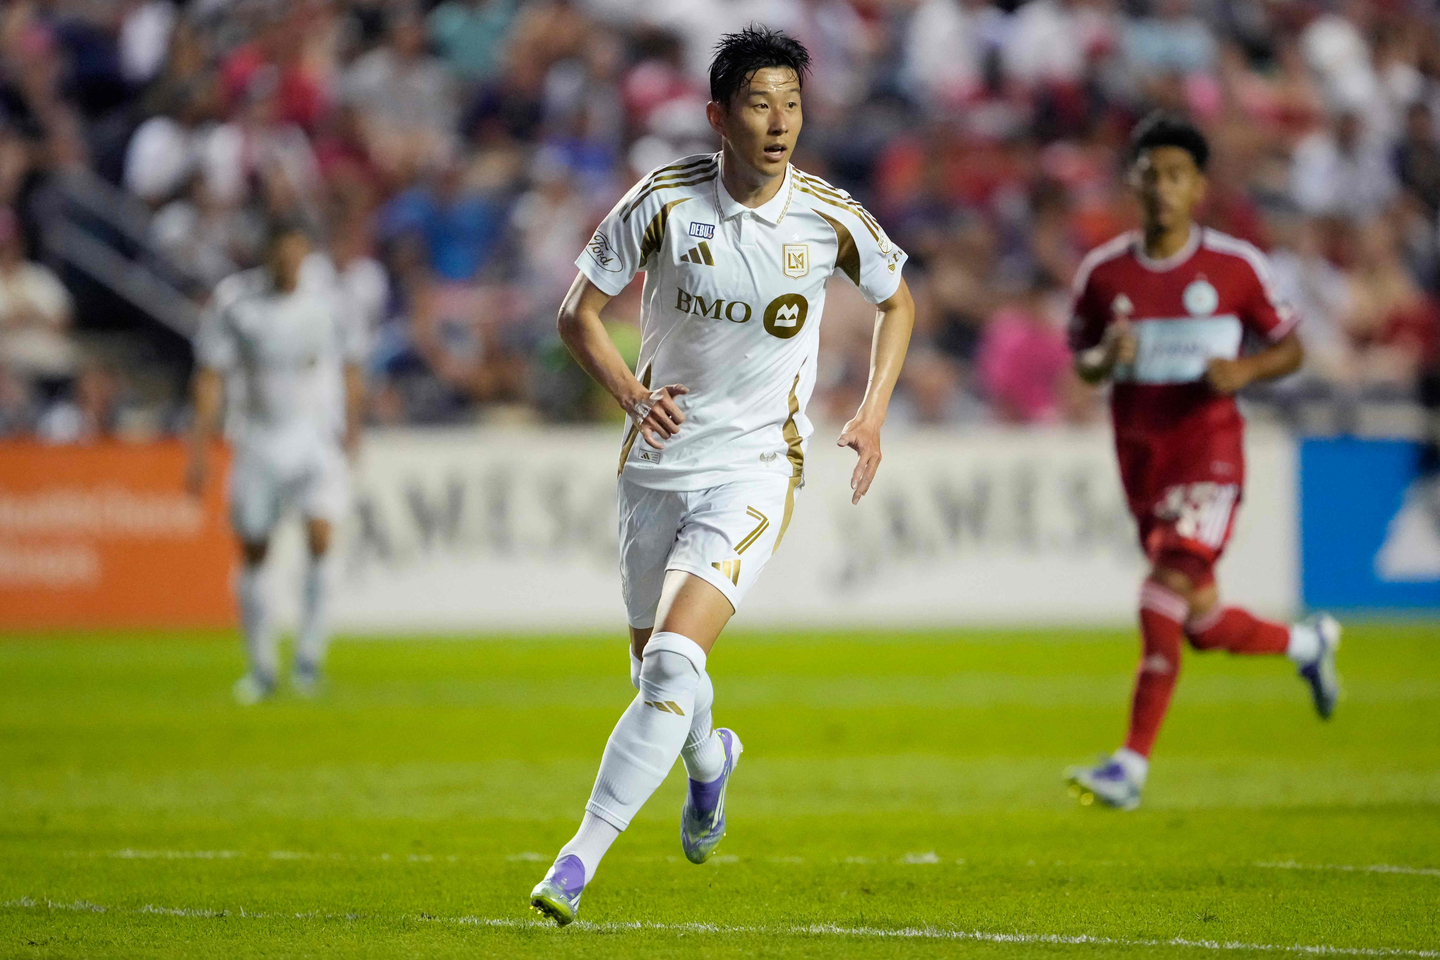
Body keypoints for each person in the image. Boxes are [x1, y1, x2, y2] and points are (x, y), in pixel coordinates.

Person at [528, 26, 914, 925]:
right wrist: (630, 393)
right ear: (717, 115)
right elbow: (577, 313)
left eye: (791, 103)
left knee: (670, 661)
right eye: (758, 103)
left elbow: (898, 299)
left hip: (753, 468)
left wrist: (873, 409)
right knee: (656, 678)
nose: (779, 122)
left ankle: (577, 861)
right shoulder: (664, 202)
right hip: (656, 466)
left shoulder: (828, 215)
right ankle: (711, 763)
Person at [1064, 113, 1341, 811]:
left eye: (1177, 176)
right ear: (1134, 182)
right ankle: (1307, 645)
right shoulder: (1104, 275)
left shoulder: (1237, 266)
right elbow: (1085, 362)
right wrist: (1106, 358)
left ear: (1199, 188)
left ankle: (1130, 765)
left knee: (1160, 592)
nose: (1162, 188)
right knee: (1201, 623)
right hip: (1143, 464)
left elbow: (1292, 346)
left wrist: (1244, 373)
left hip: (1212, 457)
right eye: (1150, 175)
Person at [186, 221, 365, 704]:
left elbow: (351, 365)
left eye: (297, 255)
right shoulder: (235, 303)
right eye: (281, 255)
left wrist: (353, 431)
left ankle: (308, 657)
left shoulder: (329, 299)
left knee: (321, 536)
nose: (289, 265)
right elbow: (210, 376)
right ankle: (261, 665)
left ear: (306, 254)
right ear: (266, 254)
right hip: (258, 440)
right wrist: (199, 447)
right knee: (255, 551)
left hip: (315, 440)